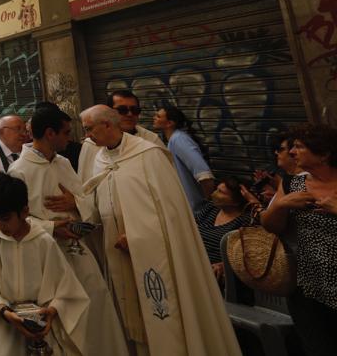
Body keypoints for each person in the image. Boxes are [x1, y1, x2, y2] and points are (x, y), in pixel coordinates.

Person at [80, 105, 241, 355]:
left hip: (153, 253)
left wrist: (136, 236)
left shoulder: (148, 154)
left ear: (108, 125)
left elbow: (171, 213)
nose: (86, 135)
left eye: (89, 129)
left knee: (163, 314)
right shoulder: (99, 158)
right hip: (118, 254)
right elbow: (99, 200)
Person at [8, 108, 127, 354]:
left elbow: (84, 198)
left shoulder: (63, 163)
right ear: (49, 133)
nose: (69, 138)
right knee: (61, 318)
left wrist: (76, 204)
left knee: (96, 303)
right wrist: (52, 228)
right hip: (45, 255)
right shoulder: (19, 170)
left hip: (77, 252)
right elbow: (15, 220)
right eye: (64, 133)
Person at [0, 173, 89, 356]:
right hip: (6, 331)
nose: (0, 225)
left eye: (5, 218)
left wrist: (51, 311)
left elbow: (68, 290)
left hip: (42, 329)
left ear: (24, 211)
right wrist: (5, 311)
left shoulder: (43, 242)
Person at [261, 125, 337, 356]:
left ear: (324, 154)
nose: (292, 152)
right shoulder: (292, 184)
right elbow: (270, 225)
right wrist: (281, 206)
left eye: (300, 147)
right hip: (309, 287)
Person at [77, 89, 167, 181]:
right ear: (110, 113)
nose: (130, 114)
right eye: (122, 110)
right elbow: (85, 182)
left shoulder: (151, 140)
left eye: (135, 110)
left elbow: (165, 178)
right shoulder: (92, 144)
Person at [194, 177, 257, 282]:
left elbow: (248, 256)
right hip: (195, 264)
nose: (214, 194)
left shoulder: (245, 221)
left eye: (221, 192)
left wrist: (225, 266)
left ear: (236, 201)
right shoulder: (211, 208)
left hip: (216, 275)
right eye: (216, 190)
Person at [154, 105, 214, 209]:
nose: (154, 117)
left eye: (158, 116)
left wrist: (209, 205)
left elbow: (204, 175)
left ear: (169, 123)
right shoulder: (173, 140)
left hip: (196, 210)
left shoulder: (179, 140)